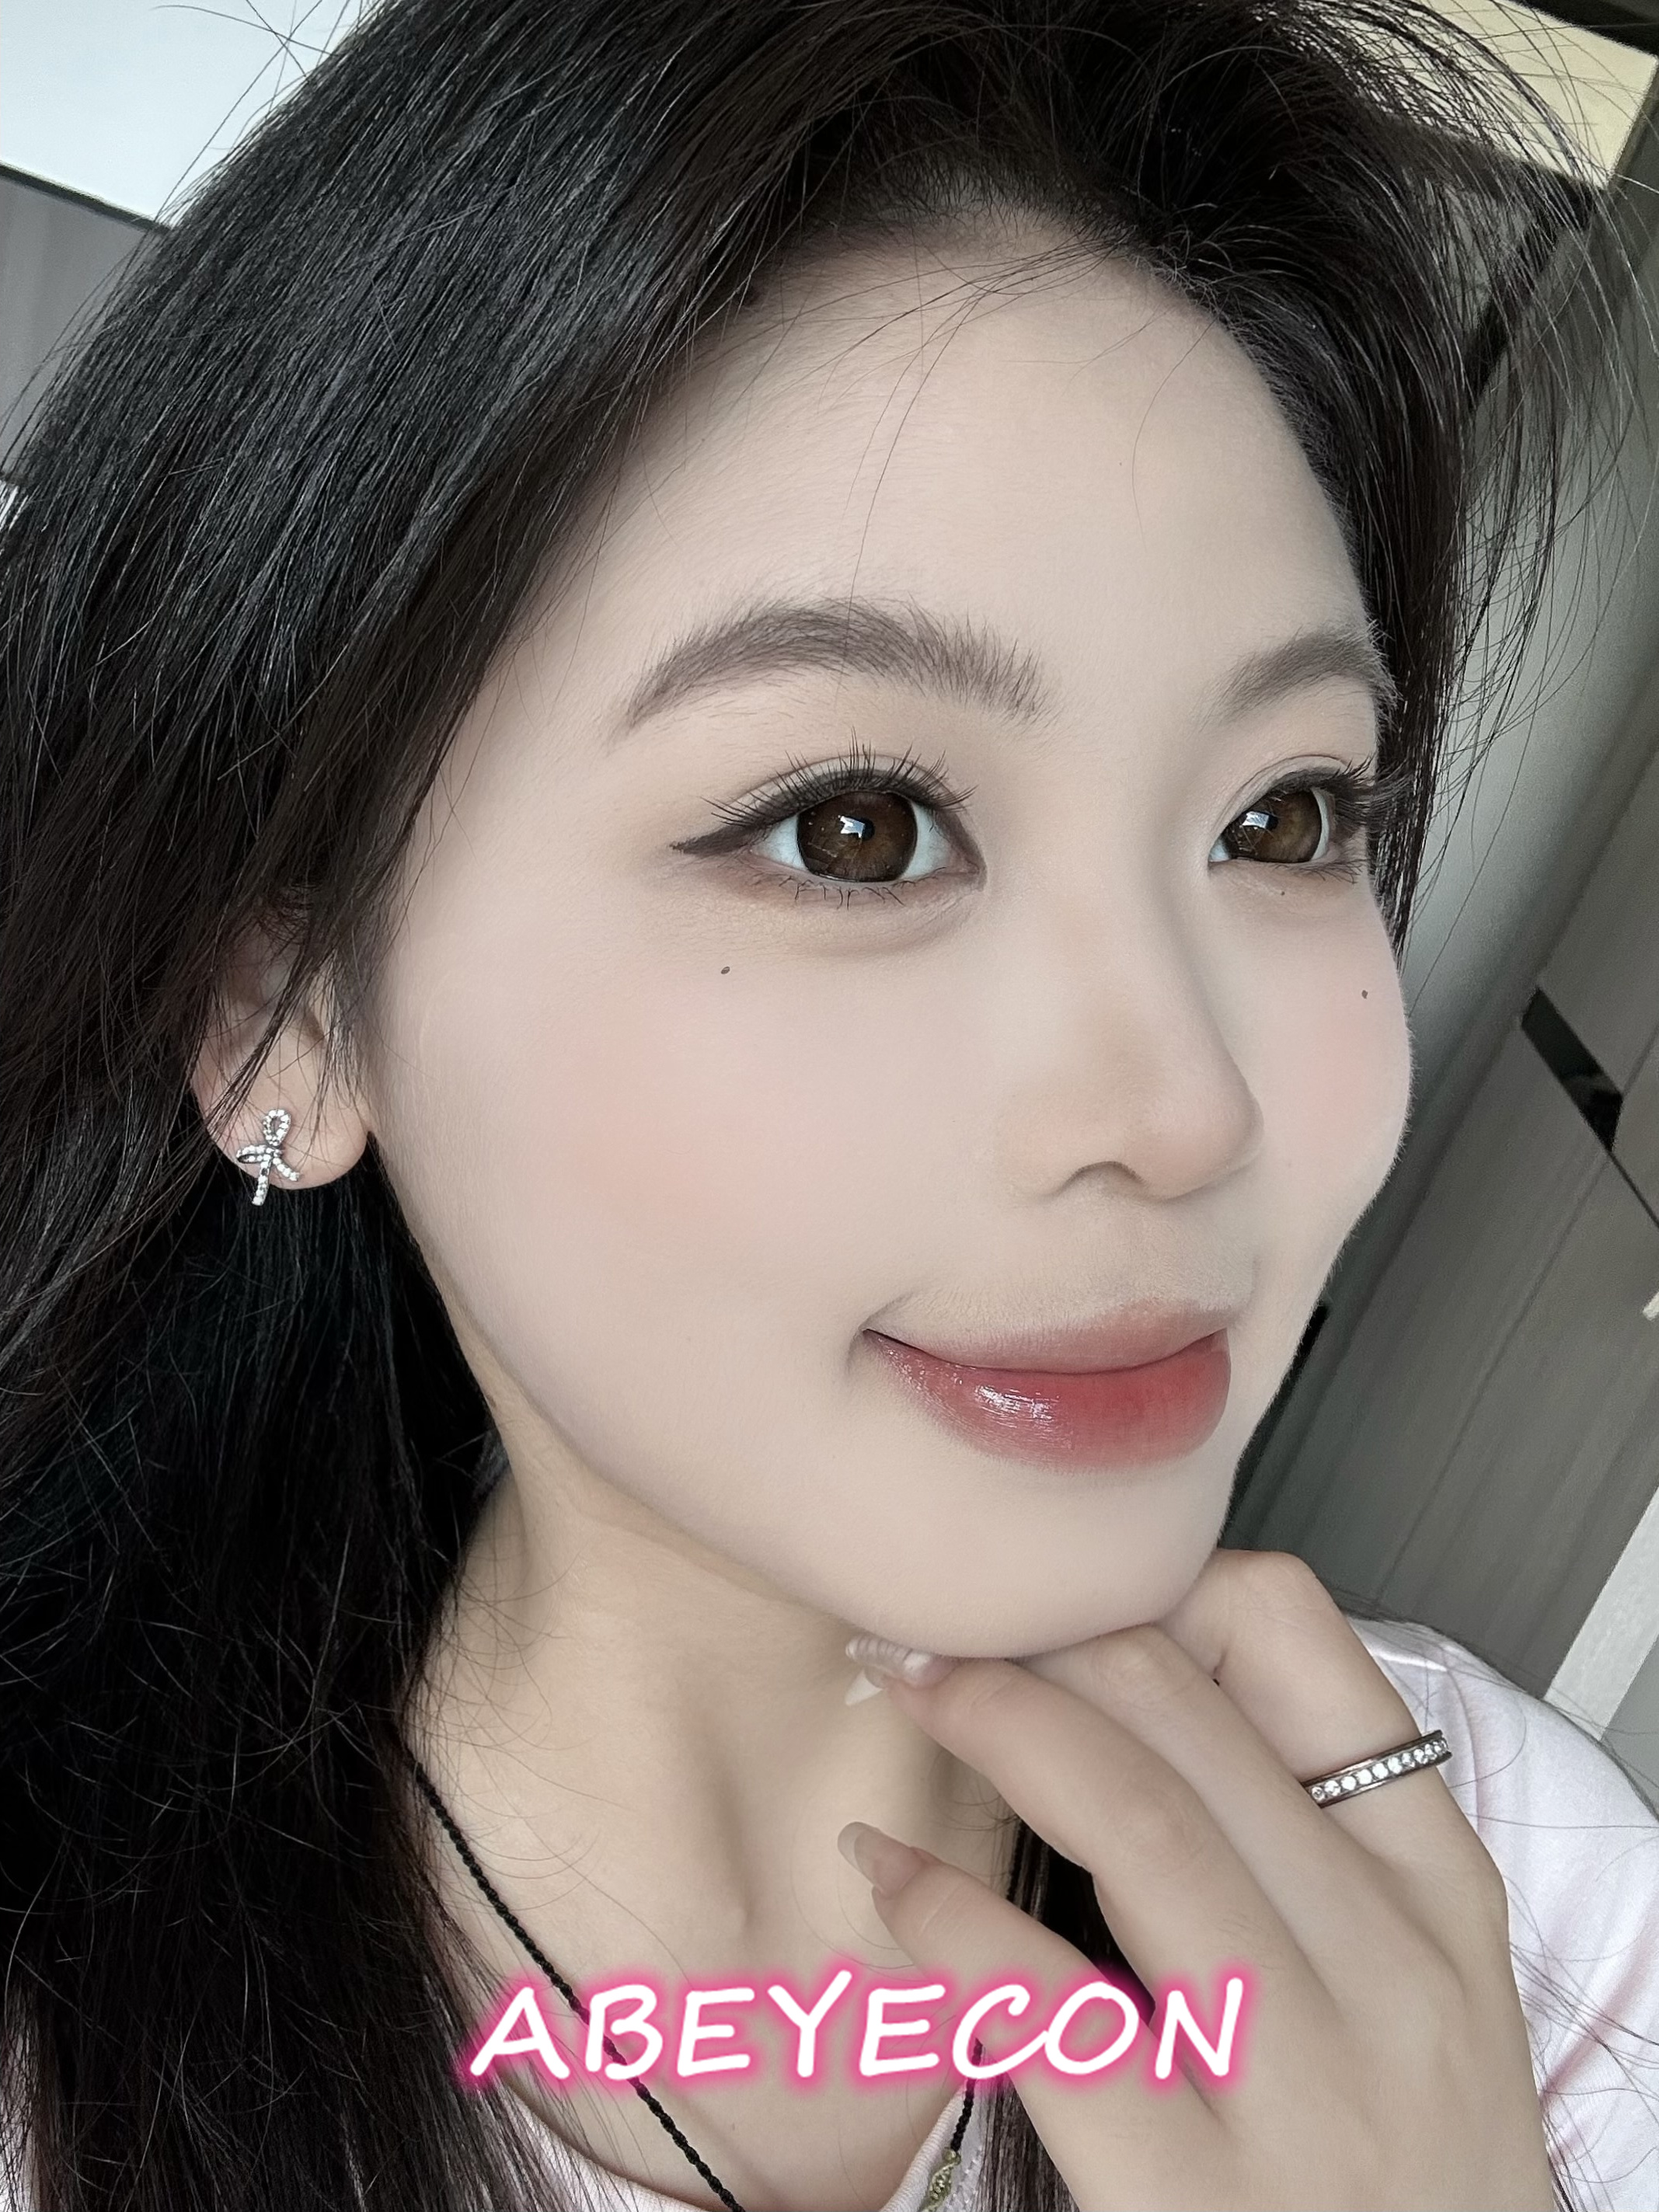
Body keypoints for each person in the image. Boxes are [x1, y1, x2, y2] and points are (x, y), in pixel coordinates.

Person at [2, 0, 1657, 2206]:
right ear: (289, 1012)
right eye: (853, 829)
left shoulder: (1523, 1902)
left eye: (1285, 817)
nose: (1187, 1111)